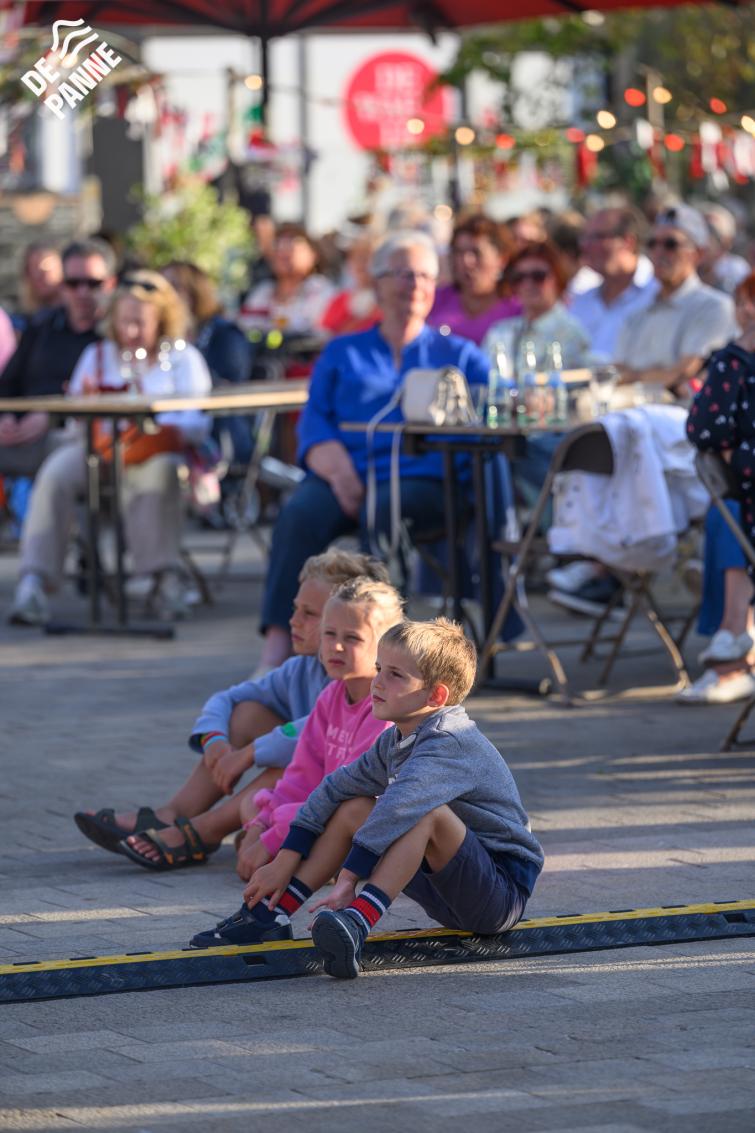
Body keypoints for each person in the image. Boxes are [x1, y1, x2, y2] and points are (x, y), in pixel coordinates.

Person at [191, 617, 544, 980]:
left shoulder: (450, 742)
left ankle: (358, 921)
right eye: (379, 669)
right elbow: (334, 787)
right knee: (354, 807)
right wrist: (285, 857)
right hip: (448, 888)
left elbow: (397, 808)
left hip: (500, 894)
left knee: (425, 814)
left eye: (395, 675)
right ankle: (272, 915)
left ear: (435, 696)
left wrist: (349, 877)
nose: (378, 682)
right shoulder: (394, 741)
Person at [258, 230, 492, 670]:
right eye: (402, 274)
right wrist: (340, 474)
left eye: (424, 275)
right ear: (377, 283)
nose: (414, 284)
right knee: (298, 515)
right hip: (345, 473)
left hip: (425, 482)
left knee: (386, 507)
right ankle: (279, 648)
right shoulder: (343, 351)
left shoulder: (459, 355)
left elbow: (494, 415)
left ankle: (386, 655)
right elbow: (314, 422)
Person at [73, 549, 390, 862]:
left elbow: (314, 733)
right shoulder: (300, 669)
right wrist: (215, 740)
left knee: (285, 762)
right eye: (295, 609)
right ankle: (173, 814)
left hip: (338, 799)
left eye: (309, 614)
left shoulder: (374, 687)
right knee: (246, 714)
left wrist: (250, 753)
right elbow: (228, 698)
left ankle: (203, 831)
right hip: (308, 790)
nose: (293, 621)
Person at [131, 577, 403, 876]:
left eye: (352, 638)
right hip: (323, 811)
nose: (336, 646)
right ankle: (293, 853)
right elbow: (301, 774)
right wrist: (261, 824)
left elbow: (346, 795)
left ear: (385, 646)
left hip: (365, 825)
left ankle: (316, 863)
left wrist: (272, 837)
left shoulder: (384, 711)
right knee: (253, 804)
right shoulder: (332, 695)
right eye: (329, 633)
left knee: (338, 813)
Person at [9, 270, 211, 626]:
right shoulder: (97, 354)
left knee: (160, 474)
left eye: (140, 322)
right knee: (55, 473)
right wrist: (91, 411)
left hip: (153, 454)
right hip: (99, 451)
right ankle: (34, 581)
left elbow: (197, 423)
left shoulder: (183, 358)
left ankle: (162, 578)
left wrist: (149, 432)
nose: (130, 331)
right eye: (124, 321)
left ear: (161, 320)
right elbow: (75, 420)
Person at [682, 270, 755, 704]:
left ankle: (733, 648)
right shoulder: (733, 361)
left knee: (728, 513)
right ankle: (733, 650)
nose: (747, 311)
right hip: (744, 494)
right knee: (727, 511)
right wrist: (740, 353)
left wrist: (738, 453)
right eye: (743, 302)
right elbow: (703, 430)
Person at [0, 238, 116, 482]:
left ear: (110, 284)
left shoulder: (116, 337)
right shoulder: (42, 326)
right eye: (73, 283)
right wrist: (7, 417)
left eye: (93, 283)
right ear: (62, 286)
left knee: (62, 452)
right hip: (19, 432)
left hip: (73, 437)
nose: (83, 292)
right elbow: (9, 381)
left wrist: (53, 416)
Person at [614, 203, 737, 399]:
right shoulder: (636, 310)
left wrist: (634, 376)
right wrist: (655, 375)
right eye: (652, 243)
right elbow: (616, 372)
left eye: (670, 244)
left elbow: (682, 373)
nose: (659, 252)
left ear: (698, 253)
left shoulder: (715, 307)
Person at [482, 240, 592, 372]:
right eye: (519, 277)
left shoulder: (572, 334)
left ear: (558, 278)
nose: (528, 284)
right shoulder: (499, 332)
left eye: (538, 276)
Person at [570, 206, 658, 363]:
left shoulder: (659, 295)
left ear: (628, 242)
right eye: (585, 238)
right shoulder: (582, 301)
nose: (585, 246)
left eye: (597, 237)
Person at [427, 214, 519, 346]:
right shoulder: (433, 300)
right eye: (459, 252)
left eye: (476, 253)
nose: (466, 261)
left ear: (502, 259)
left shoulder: (519, 309)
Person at [239, 222, 335, 335]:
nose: (283, 249)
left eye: (293, 241)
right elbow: (243, 329)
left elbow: (320, 334)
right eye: (277, 243)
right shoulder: (262, 292)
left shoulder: (321, 290)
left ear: (314, 254)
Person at [320, 234, 381, 337]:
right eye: (358, 257)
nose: (362, 263)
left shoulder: (389, 303)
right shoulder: (339, 300)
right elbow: (327, 334)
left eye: (370, 257)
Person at [698, 204, 751, 297]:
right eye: (700, 229)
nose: (704, 238)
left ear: (727, 242)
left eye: (711, 231)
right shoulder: (686, 263)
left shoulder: (738, 270)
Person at [14, 241, 63, 330]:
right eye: (33, 269)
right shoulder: (24, 322)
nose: (38, 275)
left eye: (46, 266)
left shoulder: (74, 319)